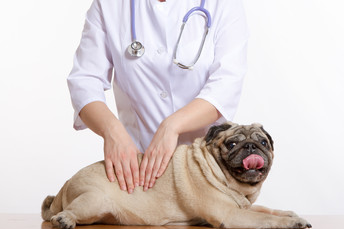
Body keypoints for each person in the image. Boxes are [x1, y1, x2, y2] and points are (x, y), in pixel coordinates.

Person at [67, 0, 248, 194]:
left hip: (209, 170)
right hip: (138, 172)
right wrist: (112, 132)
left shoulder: (223, 4)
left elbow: (225, 85)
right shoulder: (109, 5)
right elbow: (85, 81)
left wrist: (171, 126)